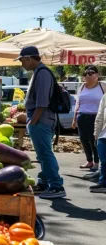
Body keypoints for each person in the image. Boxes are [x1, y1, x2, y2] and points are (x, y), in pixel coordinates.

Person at [16, 46, 65, 199]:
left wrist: (32, 121)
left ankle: (56, 186)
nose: (22, 64)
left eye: (22, 60)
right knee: (42, 154)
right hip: (40, 120)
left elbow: (42, 103)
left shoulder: (42, 74)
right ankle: (44, 182)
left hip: (41, 120)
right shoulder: (38, 72)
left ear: (30, 58)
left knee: (45, 154)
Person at [72, 65, 106, 170]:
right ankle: (89, 161)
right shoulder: (81, 86)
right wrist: (74, 119)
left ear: (97, 75)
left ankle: (97, 162)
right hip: (82, 116)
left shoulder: (102, 86)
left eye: (91, 73)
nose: (88, 75)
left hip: (96, 117)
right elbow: (78, 103)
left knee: (94, 140)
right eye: (85, 73)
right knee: (83, 139)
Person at [90, 90, 106, 193]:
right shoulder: (105, 97)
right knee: (104, 160)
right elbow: (100, 116)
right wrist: (96, 133)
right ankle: (103, 183)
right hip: (104, 134)